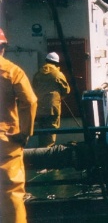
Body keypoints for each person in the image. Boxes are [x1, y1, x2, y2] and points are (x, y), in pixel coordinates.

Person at [0, 28, 37, 223]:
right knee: (10, 192)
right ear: (3, 47)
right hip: (5, 141)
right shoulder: (13, 71)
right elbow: (30, 101)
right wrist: (25, 133)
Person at [32, 52, 70, 147]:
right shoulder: (57, 74)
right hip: (52, 109)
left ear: (46, 61)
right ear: (56, 63)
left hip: (40, 109)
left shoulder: (37, 74)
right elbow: (66, 90)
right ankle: (48, 156)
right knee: (51, 134)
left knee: (42, 133)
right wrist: (60, 96)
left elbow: (34, 87)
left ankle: (41, 153)